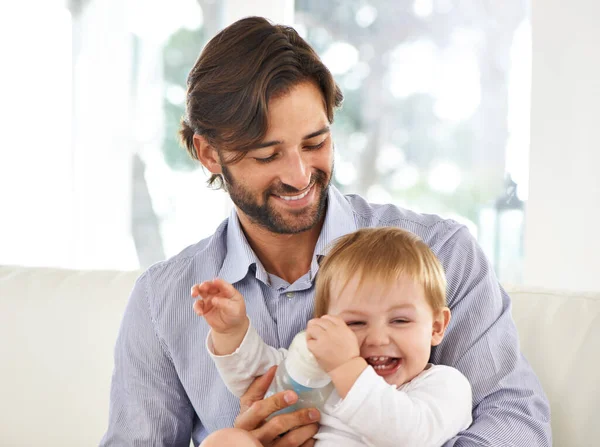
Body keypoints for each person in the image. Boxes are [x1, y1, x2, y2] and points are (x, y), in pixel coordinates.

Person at [100, 16, 551, 447]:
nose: (299, 176)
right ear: (209, 154)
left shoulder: (442, 255)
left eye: (315, 143)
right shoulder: (163, 302)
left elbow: (518, 425)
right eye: (266, 155)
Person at [194, 227, 473, 447]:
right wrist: (230, 331)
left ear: (436, 327)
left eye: (400, 320)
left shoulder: (445, 385)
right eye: (355, 322)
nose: (377, 338)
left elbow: (409, 437)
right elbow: (257, 378)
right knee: (225, 441)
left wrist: (346, 367)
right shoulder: (320, 371)